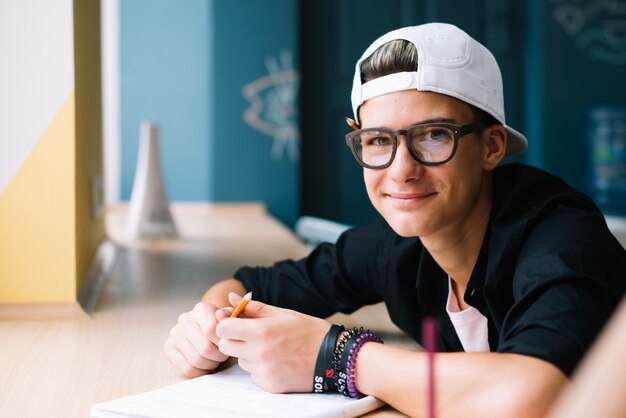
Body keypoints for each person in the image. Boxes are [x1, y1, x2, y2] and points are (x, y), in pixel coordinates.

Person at [164, 22, 626, 417]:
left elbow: (533, 397)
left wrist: (339, 357)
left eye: (433, 136)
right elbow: (247, 286)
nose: (402, 170)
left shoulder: (561, 240)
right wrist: (208, 328)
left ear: (491, 147)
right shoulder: (399, 244)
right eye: (378, 141)